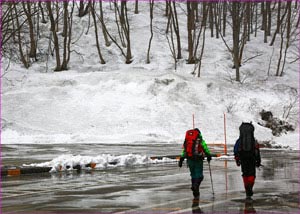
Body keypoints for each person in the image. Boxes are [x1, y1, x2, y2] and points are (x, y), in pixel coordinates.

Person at [178, 128, 212, 200]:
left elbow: (185, 150)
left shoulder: (188, 140)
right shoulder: (199, 139)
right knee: (199, 176)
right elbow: (204, 147)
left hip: (189, 159)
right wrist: (208, 155)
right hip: (198, 160)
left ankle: (195, 192)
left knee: (193, 175)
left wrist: (181, 159)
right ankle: (195, 186)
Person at [234, 122, 261, 199]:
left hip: (243, 158)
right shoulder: (254, 140)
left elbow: (235, 150)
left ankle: (247, 188)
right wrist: (258, 161)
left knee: (245, 174)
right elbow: (257, 151)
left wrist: (237, 159)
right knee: (252, 174)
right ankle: (250, 187)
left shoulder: (239, 141)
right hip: (252, 159)